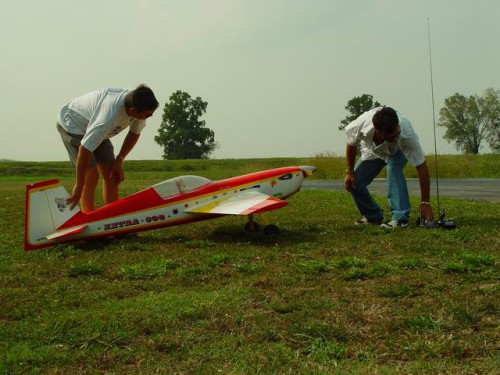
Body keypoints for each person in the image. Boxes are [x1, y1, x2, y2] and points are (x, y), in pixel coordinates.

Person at [57, 84, 159, 212]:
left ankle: (113, 220)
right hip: (73, 123)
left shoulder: (137, 105)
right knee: (91, 175)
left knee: (112, 173)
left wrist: (119, 160)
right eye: (148, 115)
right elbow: (85, 149)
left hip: (96, 128)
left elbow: (134, 133)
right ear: (133, 111)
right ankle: (89, 220)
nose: (150, 116)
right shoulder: (108, 117)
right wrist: (79, 185)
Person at [343, 106, 434, 228]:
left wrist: (425, 202)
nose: (395, 138)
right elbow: (351, 144)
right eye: (391, 137)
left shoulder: (406, 135)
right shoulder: (358, 126)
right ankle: (373, 217)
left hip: (398, 151)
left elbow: (421, 166)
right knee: (354, 183)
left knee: (393, 167)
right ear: (377, 131)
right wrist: (350, 171)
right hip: (373, 151)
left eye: (396, 134)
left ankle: (400, 219)